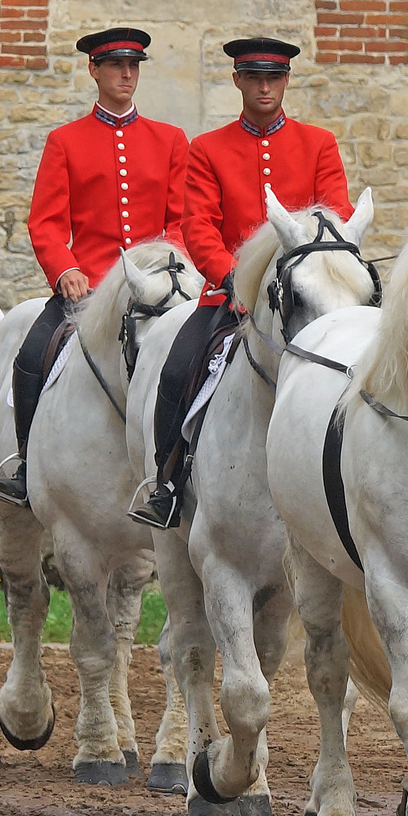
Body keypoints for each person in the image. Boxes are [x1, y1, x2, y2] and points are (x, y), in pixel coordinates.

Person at [129, 36, 353, 528]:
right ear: (237, 81)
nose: (264, 87)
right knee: (176, 369)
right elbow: (199, 226)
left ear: (287, 81)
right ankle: (166, 484)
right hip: (229, 299)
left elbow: (337, 214)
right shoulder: (208, 148)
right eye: (254, 77)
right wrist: (232, 279)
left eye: (273, 77)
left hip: (305, 298)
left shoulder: (319, 144)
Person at [0, 27, 190, 506]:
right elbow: (46, 225)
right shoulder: (65, 141)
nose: (126, 74)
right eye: (116, 65)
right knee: (31, 352)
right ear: (93, 70)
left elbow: (179, 223)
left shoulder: (171, 140)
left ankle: (177, 470)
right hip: (87, 289)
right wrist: (65, 271)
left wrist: (168, 270)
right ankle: (23, 461)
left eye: (134, 65)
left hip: (156, 289)